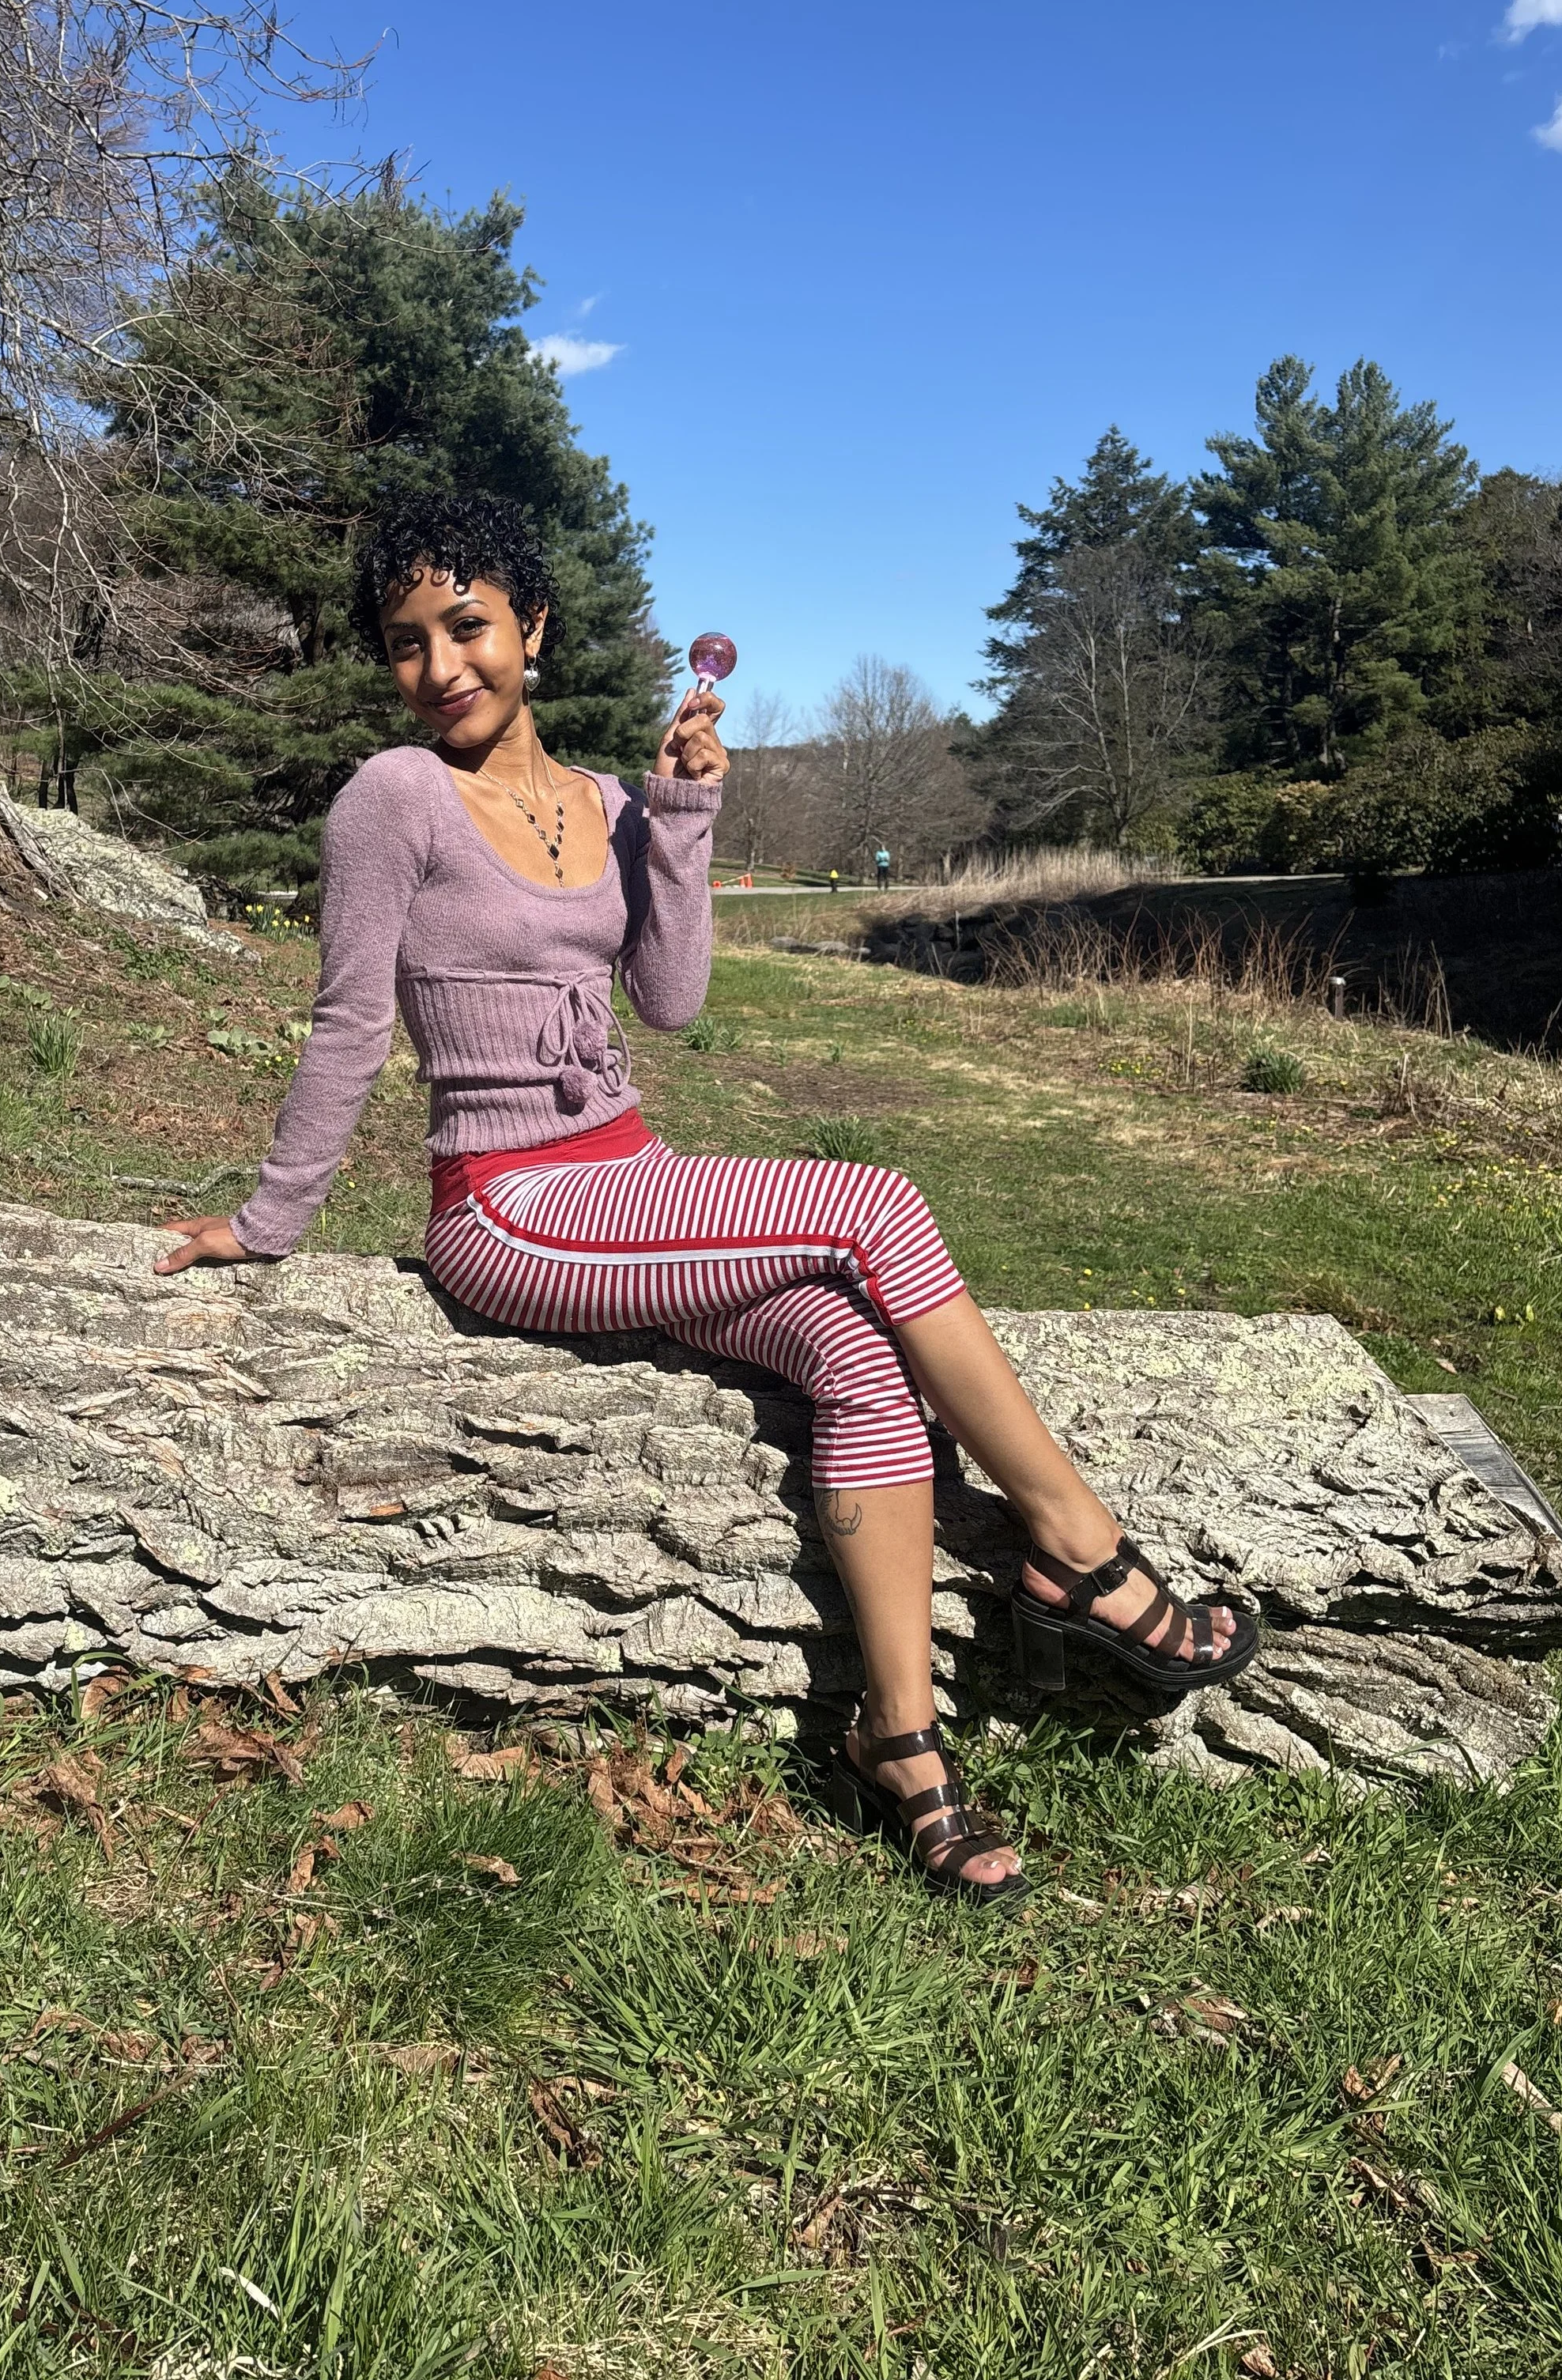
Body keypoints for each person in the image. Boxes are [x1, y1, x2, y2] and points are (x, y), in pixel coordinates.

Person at [155, 492, 1257, 1908]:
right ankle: (1082, 1549)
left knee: (856, 1351)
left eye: (469, 627)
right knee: (878, 1208)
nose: (441, 669)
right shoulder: (395, 798)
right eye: (407, 644)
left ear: (533, 630)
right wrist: (272, 1217)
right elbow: (348, 1025)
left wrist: (681, 816)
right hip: (509, 1205)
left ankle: (899, 1742)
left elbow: (669, 1003)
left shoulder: (608, 804)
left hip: (632, 1170)